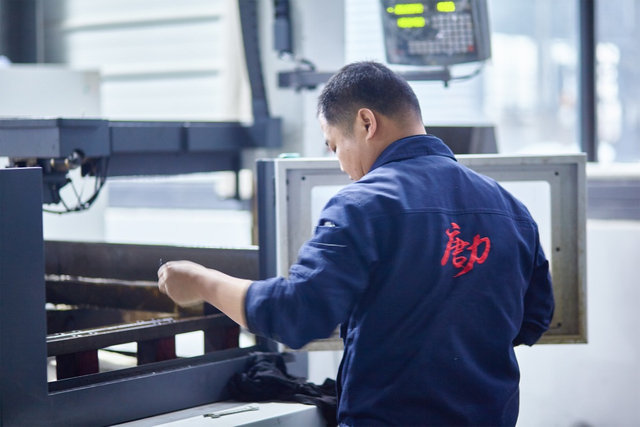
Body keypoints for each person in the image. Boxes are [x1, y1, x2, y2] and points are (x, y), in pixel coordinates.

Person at [157, 61, 554, 426]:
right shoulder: (510, 208)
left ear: (366, 122)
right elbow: (534, 319)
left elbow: (294, 314)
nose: (341, 164)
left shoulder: (363, 204)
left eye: (333, 145)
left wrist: (200, 280)